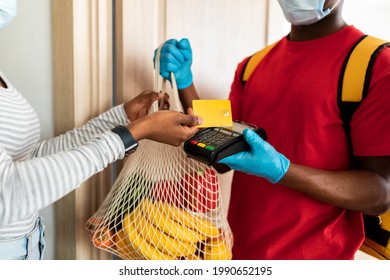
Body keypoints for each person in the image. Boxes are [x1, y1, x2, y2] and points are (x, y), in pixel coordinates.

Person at [156, 0, 390, 259]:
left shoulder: (376, 65)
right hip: (237, 253)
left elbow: (380, 194)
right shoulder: (251, 66)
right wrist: (185, 82)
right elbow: (222, 155)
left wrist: (282, 170)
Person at [0, 0, 202, 260]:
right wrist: (135, 132)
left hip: (28, 242)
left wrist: (119, 118)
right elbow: (8, 194)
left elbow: (30, 155)